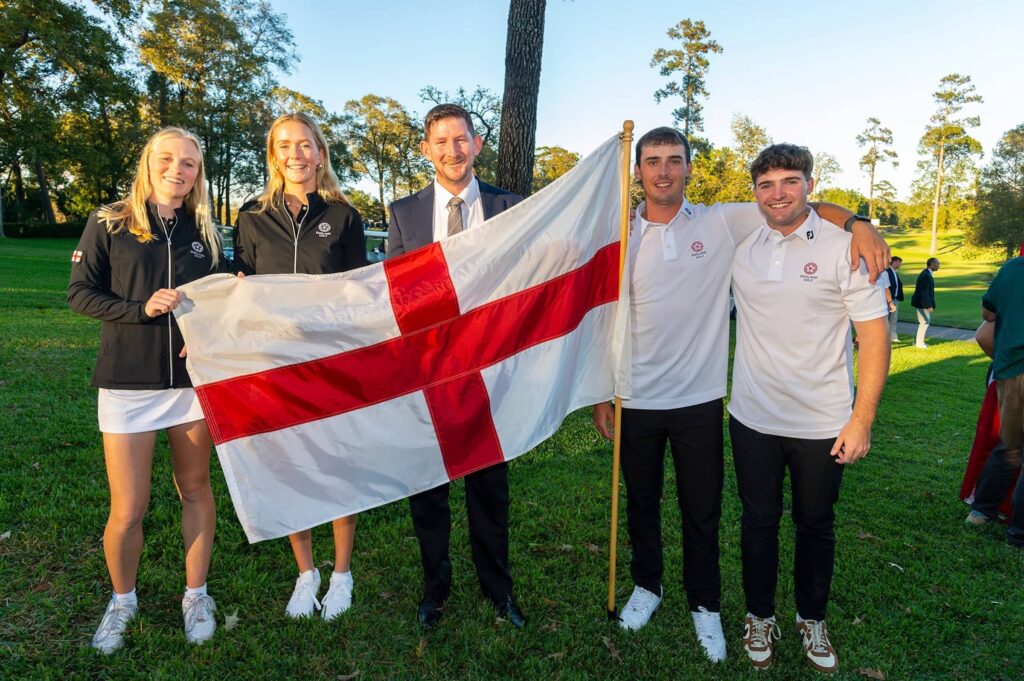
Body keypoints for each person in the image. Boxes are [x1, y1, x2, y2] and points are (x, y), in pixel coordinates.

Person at [590, 127, 888, 662]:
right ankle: (646, 586)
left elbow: (798, 206)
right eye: (652, 161)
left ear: (688, 168)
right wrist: (600, 391)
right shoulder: (618, 231)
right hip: (632, 395)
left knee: (702, 509)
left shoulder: (722, 221)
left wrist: (860, 223)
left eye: (674, 161)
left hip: (701, 398)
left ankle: (705, 605)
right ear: (637, 171)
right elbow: (601, 317)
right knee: (641, 501)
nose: (663, 171)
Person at [728, 144, 890, 674]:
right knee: (758, 521)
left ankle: (811, 618)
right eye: (767, 184)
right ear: (754, 192)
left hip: (822, 422)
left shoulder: (846, 247)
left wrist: (861, 419)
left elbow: (874, 335)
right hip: (752, 417)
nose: (778, 194)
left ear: (810, 185)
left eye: (790, 181)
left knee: (816, 524)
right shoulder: (742, 243)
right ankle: (759, 616)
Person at [68, 127, 225, 653]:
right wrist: (141, 310)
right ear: (148, 162)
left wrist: (209, 335)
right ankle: (122, 601)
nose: (177, 169)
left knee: (196, 490)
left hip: (190, 385)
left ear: (197, 173)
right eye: (167, 158)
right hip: (127, 384)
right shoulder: (109, 220)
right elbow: (80, 295)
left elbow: (222, 298)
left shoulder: (205, 229)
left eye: (188, 163)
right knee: (128, 509)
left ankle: (196, 594)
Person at [387, 104, 524, 628]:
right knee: (429, 492)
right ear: (427, 150)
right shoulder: (404, 214)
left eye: (461, 139)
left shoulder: (510, 206)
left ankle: (498, 588)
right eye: (441, 142)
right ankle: (434, 589)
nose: (452, 151)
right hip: (428, 376)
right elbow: (395, 297)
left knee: (490, 490)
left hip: (490, 373)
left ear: (478, 143)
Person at [234, 112, 368, 620]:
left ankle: (341, 575)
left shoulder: (344, 215)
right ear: (274, 155)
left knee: (336, 467)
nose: (296, 154)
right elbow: (238, 284)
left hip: (330, 363)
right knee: (290, 467)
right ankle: (306, 572)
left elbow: (361, 292)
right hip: (274, 363)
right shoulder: (250, 215)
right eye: (285, 145)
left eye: (306, 145)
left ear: (320, 153)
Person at [966, 257, 1024, 548]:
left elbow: (988, 314)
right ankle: (1018, 534)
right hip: (1012, 367)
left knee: (1010, 448)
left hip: (1011, 369)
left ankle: (982, 511)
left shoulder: (1013, 268)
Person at [911, 257, 940, 348]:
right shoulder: (926, 275)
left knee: (924, 322)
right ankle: (919, 343)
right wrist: (928, 306)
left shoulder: (927, 273)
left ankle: (918, 342)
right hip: (922, 303)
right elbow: (924, 292)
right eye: (937, 263)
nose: (939, 265)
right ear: (931, 264)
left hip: (921, 302)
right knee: (924, 322)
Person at [881, 256, 904, 341]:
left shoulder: (894, 272)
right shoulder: (887, 272)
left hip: (894, 299)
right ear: (894, 262)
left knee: (894, 319)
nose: (900, 264)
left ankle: (893, 337)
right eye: (899, 262)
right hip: (887, 299)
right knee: (885, 319)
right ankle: (884, 337)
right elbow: (887, 287)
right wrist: (889, 299)